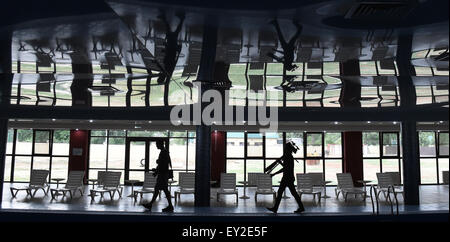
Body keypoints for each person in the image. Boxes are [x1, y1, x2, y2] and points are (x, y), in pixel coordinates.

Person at [267, 141, 305, 214]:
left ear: (287, 149)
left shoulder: (288, 157)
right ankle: (301, 207)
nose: (284, 149)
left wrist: (274, 173)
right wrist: (280, 162)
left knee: (284, 193)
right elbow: (286, 167)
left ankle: (275, 208)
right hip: (288, 177)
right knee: (290, 193)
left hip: (287, 178)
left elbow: (285, 168)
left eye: (285, 148)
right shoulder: (289, 156)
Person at [142, 140, 174, 212]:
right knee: (160, 189)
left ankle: (170, 206)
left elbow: (162, 165)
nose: (156, 146)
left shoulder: (163, 152)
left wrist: (156, 170)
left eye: (157, 144)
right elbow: (163, 164)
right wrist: (157, 168)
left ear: (160, 144)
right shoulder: (165, 152)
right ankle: (151, 204)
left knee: (162, 190)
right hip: (163, 174)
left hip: (162, 175)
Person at [156, 11, 185, 85]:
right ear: (161, 78)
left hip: (172, 49)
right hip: (171, 49)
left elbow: (168, 61)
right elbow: (169, 60)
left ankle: (166, 19)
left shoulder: (166, 73)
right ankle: (181, 19)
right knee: (171, 33)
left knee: (172, 33)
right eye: (159, 78)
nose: (159, 76)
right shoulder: (166, 72)